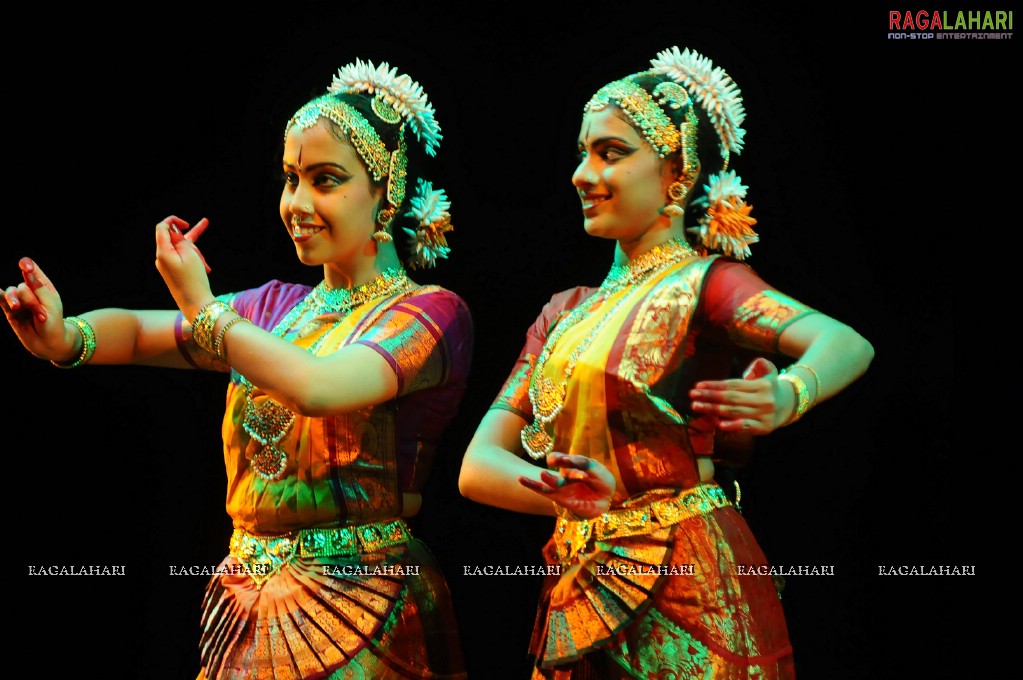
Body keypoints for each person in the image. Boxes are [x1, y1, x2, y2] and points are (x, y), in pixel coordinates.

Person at [4, 59, 471, 679]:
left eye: (325, 180)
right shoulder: (272, 309)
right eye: (290, 178)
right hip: (246, 604)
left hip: (369, 605)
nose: (297, 203)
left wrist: (202, 307)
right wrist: (65, 338)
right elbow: (145, 333)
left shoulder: (429, 313)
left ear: (386, 192)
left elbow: (318, 385)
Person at [459, 45, 874, 678]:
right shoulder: (563, 312)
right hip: (581, 581)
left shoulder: (706, 284)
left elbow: (845, 343)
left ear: (676, 172)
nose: (582, 173)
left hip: (693, 583)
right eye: (582, 152)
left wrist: (790, 393)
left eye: (611, 152)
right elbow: (478, 467)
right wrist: (567, 499)